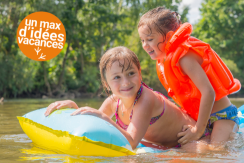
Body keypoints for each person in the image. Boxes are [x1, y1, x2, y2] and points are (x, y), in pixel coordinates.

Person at [44, 46, 211, 150]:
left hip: (193, 141)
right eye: (116, 77)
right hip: (167, 146)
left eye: (131, 74)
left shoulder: (145, 100)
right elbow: (93, 123)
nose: (125, 82)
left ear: (140, 74)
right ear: (106, 83)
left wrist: (103, 116)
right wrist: (73, 107)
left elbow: (130, 142)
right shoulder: (112, 102)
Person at [138, 7, 241, 147]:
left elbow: (208, 92)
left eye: (149, 39)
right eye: (142, 40)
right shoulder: (165, 62)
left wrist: (198, 130)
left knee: (217, 152)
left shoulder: (184, 58)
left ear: (168, 37)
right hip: (196, 118)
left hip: (221, 116)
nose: (145, 45)